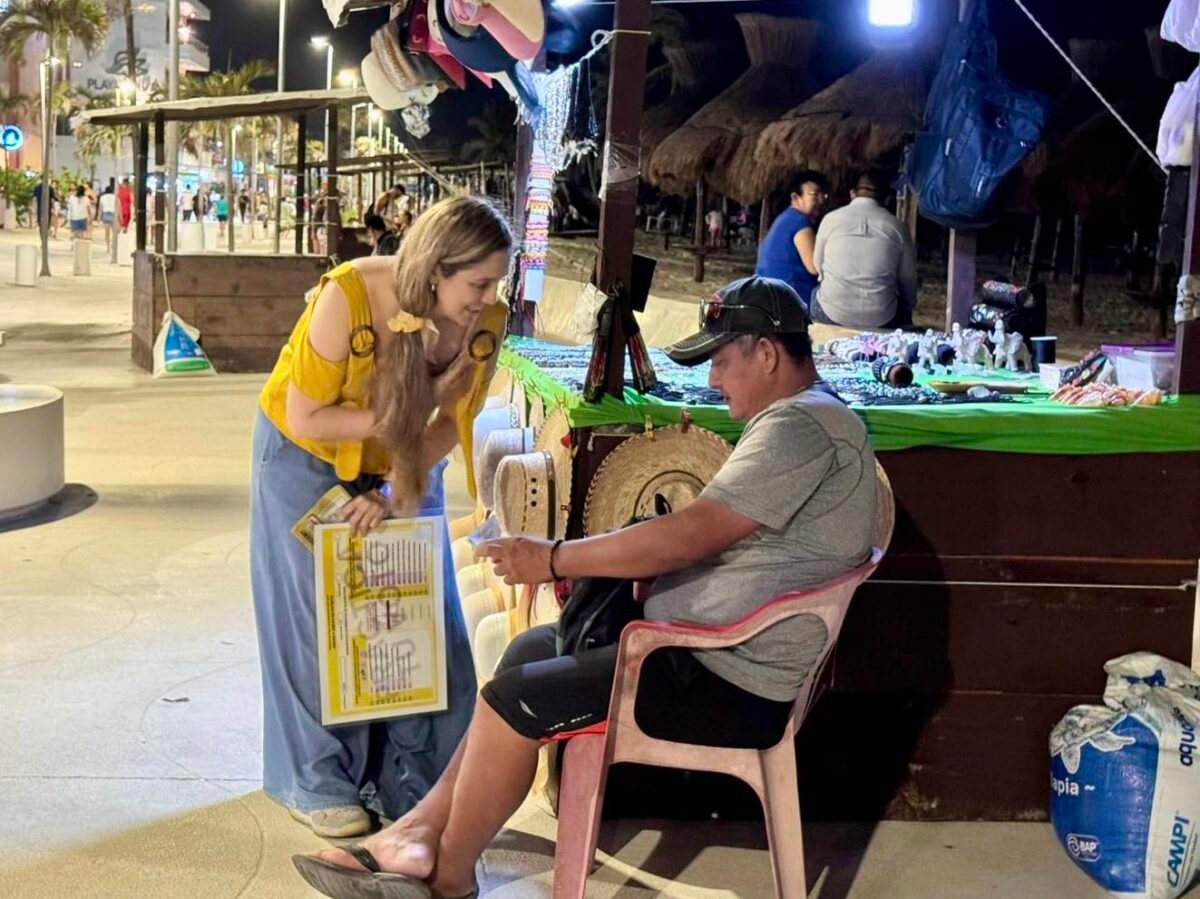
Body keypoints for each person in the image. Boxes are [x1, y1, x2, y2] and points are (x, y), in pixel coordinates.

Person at [293, 275, 877, 899]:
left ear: (766, 354)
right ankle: (417, 833)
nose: (712, 380)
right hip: (692, 652)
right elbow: (704, 535)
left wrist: (554, 559)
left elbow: (692, 534)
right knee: (527, 652)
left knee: (514, 699)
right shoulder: (803, 418)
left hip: (724, 677)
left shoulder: (800, 427)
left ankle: (448, 878)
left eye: (721, 362)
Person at [251, 196, 513, 841]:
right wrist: (405, 416)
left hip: (410, 456)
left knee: (416, 615)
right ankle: (319, 781)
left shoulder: (484, 320)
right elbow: (308, 415)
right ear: (436, 271)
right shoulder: (349, 296)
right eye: (478, 284)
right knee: (320, 620)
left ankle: (416, 780)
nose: (489, 298)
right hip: (308, 453)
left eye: (496, 283)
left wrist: (395, 491)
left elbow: (450, 423)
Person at [810, 172, 919, 329]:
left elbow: (817, 265)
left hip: (833, 313)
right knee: (901, 306)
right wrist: (909, 305)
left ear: (852, 193)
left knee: (816, 292)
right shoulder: (897, 227)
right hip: (882, 316)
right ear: (884, 198)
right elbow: (908, 279)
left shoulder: (830, 219)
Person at [755, 170, 828, 307]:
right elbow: (815, 267)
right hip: (789, 298)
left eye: (823, 195)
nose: (821, 200)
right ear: (795, 197)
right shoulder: (799, 223)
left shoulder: (786, 218)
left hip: (767, 293)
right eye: (814, 194)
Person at [98, 184, 116, 252]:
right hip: (113, 214)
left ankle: (108, 247)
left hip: (105, 214)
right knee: (114, 232)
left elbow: (100, 208)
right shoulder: (115, 197)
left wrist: (99, 216)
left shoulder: (102, 197)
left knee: (107, 233)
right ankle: (113, 245)